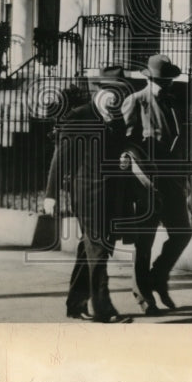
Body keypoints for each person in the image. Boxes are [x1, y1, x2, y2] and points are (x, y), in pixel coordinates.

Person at [43, 65, 140, 323]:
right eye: (111, 91)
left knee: (91, 249)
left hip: (110, 196)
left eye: (120, 92)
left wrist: (123, 159)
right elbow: (59, 157)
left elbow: (120, 149)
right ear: (100, 90)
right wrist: (50, 195)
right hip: (87, 196)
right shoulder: (80, 116)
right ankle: (103, 309)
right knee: (97, 249)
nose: (115, 98)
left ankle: (75, 304)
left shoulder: (116, 118)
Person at [120, 53, 192, 315]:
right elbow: (125, 144)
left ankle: (158, 278)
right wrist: (139, 171)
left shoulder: (173, 102)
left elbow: (179, 139)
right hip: (146, 183)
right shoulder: (136, 102)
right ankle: (143, 294)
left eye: (170, 79)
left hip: (172, 181)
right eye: (163, 80)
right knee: (145, 241)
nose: (168, 84)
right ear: (150, 80)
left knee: (183, 232)